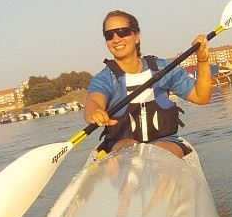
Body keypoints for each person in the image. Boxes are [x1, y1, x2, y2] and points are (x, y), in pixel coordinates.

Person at [84, 9, 213, 158]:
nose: (116, 39)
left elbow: (202, 97)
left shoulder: (162, 69)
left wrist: (202, 60)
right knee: (130, 149)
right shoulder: (104, 78)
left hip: (166, 142)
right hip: (121, 145)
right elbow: (94, 100)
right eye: (109, 35)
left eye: (122, 32)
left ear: (136, 36)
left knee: (159, 153)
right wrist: (95, 112)